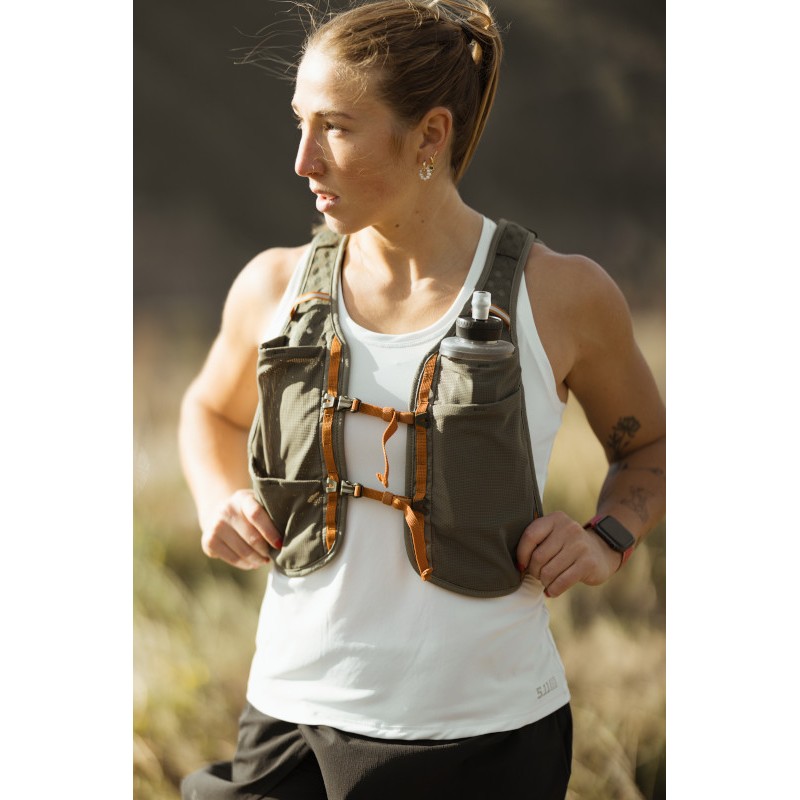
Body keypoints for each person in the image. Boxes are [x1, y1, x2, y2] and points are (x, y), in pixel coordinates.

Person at [177, 1, 666, 798]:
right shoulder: (271, 284)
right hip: (288, 724)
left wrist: (607, 537)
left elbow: (650, 446)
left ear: (430, 135)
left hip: (485, 743)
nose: (302, 159)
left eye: (335, 128)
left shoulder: (561, 295)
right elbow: (210, 408)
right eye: (300, 123)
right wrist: (216, 499)